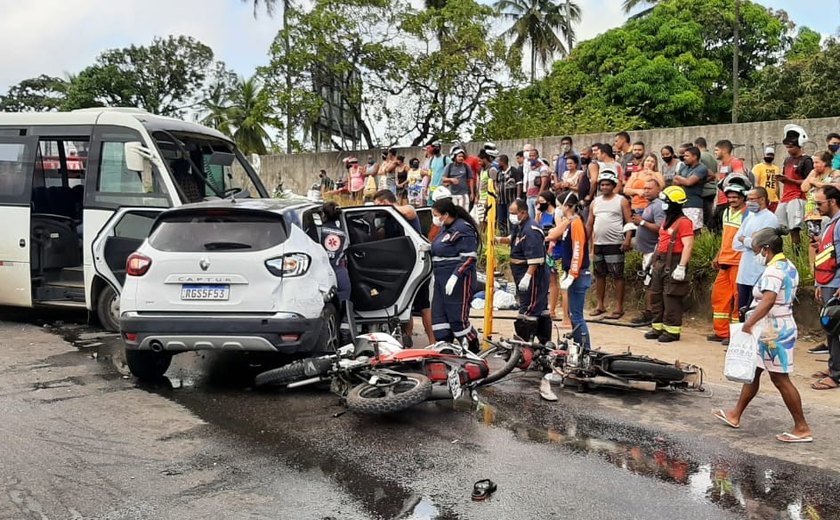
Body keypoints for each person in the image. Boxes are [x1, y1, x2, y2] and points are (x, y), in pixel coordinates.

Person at [714, 227, 812, 444]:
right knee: (754, 371)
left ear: (766, 249)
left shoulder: (774, 270)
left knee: (780, 378)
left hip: (773, 331)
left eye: (757, 250)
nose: (756, 254)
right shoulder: (788, 265)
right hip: (774, 327)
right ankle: (735, 414)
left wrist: (749, 323)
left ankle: (802, 427)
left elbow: (767, 301)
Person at [374, 190, 434, 346]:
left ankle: (433, 341)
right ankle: (407, 338)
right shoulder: (387, 220)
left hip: (416, 265)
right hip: (398, 267)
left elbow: (409, 212)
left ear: (385, 202)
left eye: (378, 205)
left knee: (423, 306)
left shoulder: (405, 210)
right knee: (403, 304)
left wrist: (389, 208)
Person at [496, 199, 551, 344]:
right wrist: (498, 239)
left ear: (523, 212)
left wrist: (527, 276)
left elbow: (536, 258)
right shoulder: (520, 226)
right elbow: (514, 240)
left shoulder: (531, 229)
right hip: (521, 271)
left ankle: (526, 343)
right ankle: (541, 343)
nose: (511, 216)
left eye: (514, 213)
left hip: (533, 274)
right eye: (510, 213)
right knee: (538, 307)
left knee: (529, 308)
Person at [644, 186, 694, 343]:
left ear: (674, 204)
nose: (663, 205)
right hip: (660, 260)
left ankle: (672, 331)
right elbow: (661, 241)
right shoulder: (667, 220)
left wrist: (681, 267)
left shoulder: (684, 222)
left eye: (666, 202)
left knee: (671, 296)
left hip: (674, 261)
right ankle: (657, 327)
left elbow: (688, 245)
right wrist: (651, 262)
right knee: (656, 294)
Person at [430, 197, 480, 352]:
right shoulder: (444, 228)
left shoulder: (463, 229)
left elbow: (469, 257)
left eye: (437, 215)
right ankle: (446, 348)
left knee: (457, 318)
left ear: (446, 214)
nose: (435, 218)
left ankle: (473, 347)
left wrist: (455, 276)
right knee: (439, 317)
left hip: (458, 279)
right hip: (440, 278)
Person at [587, 168, 632, 320]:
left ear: (613, 185)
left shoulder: (621, 200)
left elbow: (629, 222)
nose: (604, 187)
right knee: (600, 275)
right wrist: (587, 242)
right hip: (599, 244)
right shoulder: (595, 202)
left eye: (607, 184)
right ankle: (600, 305)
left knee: (617, 276)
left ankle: (619, 307)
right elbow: (590, 223)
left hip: (615, 243)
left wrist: (627, 239)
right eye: (602, 184)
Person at [708, 183, 747, 345]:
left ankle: (736, 335)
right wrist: (718, 255)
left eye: (735, 197)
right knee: (719, 296)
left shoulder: (748, 215)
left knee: (738, 300)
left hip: (739, 262)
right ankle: (722, 331)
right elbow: (726, 238)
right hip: (725, 261)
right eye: (729, 197)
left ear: (743, 198)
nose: (732, 200)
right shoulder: (726, 213)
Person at [811, 186, 840, 389]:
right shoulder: (831, 223)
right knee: (830, 329)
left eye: (820, 203)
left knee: (835, 329)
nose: (817, 207)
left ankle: (837, 374)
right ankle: (834, 367)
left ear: (832, 202)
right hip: (827, 281)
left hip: (836, 283)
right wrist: (819, 284)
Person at [733, 187, 779, 313]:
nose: (748, 202)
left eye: (752, 199)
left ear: (762, 199)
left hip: (759, 272)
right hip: (745, 272)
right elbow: (736, 242)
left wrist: (746, 240)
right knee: (742, 310)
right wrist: (749, 240)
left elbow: (761, 245)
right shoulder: (749, 217)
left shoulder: (770, 218)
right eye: (748, 199)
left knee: (754, 311)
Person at [555, 193, 591, 349]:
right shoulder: (570, 223)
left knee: (577, 316)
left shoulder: (576, 223)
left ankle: (585, 349)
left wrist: (573, 273)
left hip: (578, 274)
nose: (559, 209)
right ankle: (579, 348)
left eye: (560, 205)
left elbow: (578, 249)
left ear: (567, 206)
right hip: (573, 273)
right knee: (574, 315)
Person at [630, 179, 665, 325]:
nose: (646, 191)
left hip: (654, 250)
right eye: (644, 188)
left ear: (658, 189)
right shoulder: (649, 205)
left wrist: (642, 222)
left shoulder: (658, 206)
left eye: (649, 188)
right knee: (648, 283)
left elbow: (661, 228)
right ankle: (649, 312)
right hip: (646, 251)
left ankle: (651, 314)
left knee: (652, 284)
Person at [776, 125, 813, 252]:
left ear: (799, 144)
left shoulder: (806, 160)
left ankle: (797, 254)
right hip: (785, 197)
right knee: (777, 227)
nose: (788, 149)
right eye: (787, 147)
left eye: (791, 147)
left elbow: (810, 181)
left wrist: (789, 180)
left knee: (794, 228)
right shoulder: (787, 160)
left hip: (798, 197)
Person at [320, 202, 351, 340]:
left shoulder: (318, 232)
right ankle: (344, 338)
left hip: (321, 273)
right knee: (344, 308)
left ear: (324, 215)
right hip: (340, 273)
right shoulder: (343, 235)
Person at [536, 191, 565, 323]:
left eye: (541, 201)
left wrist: (550, 238)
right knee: (549, 281)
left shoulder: (556, 214)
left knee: (558, 281)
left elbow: (560, 231)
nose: (538, 204)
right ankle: (549, 308)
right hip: (545, 251)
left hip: (556, 251)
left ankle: (555, 310)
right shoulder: (541, 214)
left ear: (548, 201)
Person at [713, 139, 747, 232]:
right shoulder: (721, 165)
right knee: (716, 229)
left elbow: (740, 177)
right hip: (721, 201)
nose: (715, 152)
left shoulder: (735, 162)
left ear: (724, 150)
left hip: (729, 201)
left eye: (716, 150)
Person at [672, 146, 708, 233]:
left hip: (694, 204)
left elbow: (689, 182)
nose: (684, 158)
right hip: (682, 204)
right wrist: (682, 180)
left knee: (694, 230)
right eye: (684, 156)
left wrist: (680, 178)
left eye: (687, 156)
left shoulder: (701, 168)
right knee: (682, 230)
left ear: (695, 157)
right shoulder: (684, 167)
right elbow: (675, 181)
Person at [695, 137, 719, 230]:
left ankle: (710, 234)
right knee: (709, 213)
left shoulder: (700, 156)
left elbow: (701, 172)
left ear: (697, 145)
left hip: (704, 190)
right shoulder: (712, 157)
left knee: (705, 217)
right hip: (712, 189)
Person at [495, 154, 521, 235]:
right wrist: (496, 189)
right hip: (501, 200)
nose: (497, 163)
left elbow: (519, 184)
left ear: (503, 162)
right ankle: (503, 235)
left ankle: (512, 235)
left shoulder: (514, 171)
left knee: (511, 218)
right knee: (501, 219)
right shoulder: (499, 172)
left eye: (498, 161)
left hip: (511, 200)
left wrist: (518, 197)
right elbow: (496, 182)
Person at [751, 146, 780, 212]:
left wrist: (778, 198)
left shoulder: (776, 168)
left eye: (771, 155)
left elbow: (777, 185)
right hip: (763, 199)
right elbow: (756, 183)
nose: (769, 156)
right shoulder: (758, 167)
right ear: (764, 155)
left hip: (774, 200)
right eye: (768, 154)